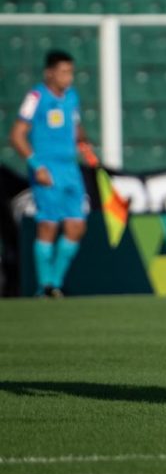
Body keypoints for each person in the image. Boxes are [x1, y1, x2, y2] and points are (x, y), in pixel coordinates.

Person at [9, 50, 93, 298]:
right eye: (64, 72)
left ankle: (54, 283)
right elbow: (16, 135)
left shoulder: (72, 97)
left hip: (70, 168)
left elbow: (75, 127)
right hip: (47, 168)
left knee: (77, 226)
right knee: (48, 225)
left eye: (71, 72)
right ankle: (45, 286)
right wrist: (37, 166)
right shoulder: (36, 97)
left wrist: (83, 141)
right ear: (50, 73)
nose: (68, 77)